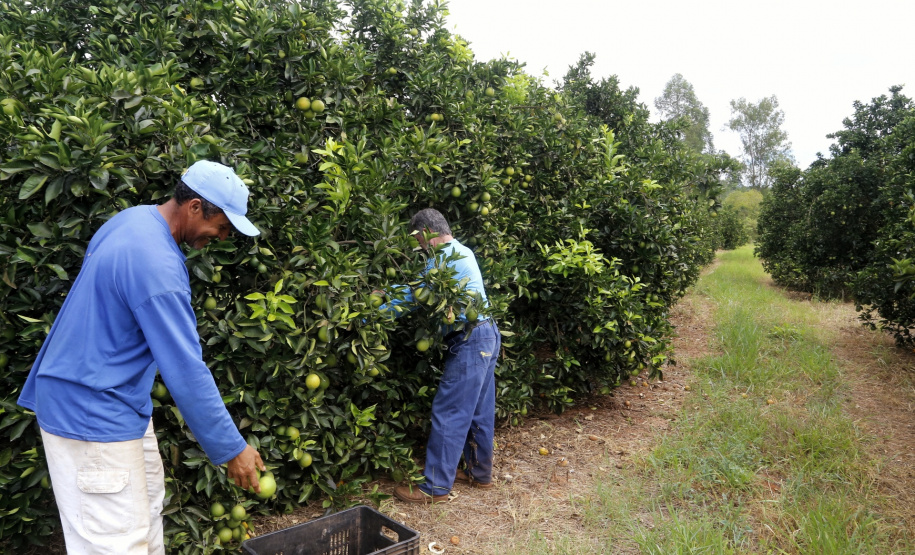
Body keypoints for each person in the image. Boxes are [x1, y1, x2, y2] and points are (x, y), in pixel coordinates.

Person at [17, 160, 266, 554]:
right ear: (195, 207)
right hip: (92, 411)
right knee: (115, 543)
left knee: (144, 525)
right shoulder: (158, 267)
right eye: (221, 226)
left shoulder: (133, 220)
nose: (222, 236)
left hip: (110, 398)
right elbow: (185, 370)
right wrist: (232, 449)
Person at [380, 208, 501, 504]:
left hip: (470, 339)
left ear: (425, 233)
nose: (419, 246)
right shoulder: (461, 251)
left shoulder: (443, 259)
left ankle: (434, 487)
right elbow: (422, 289)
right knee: (479, 410)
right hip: (486, 333)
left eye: (418, 240)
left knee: (450, 411)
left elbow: (415, 295)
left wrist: (373, 312)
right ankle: (478, 473)